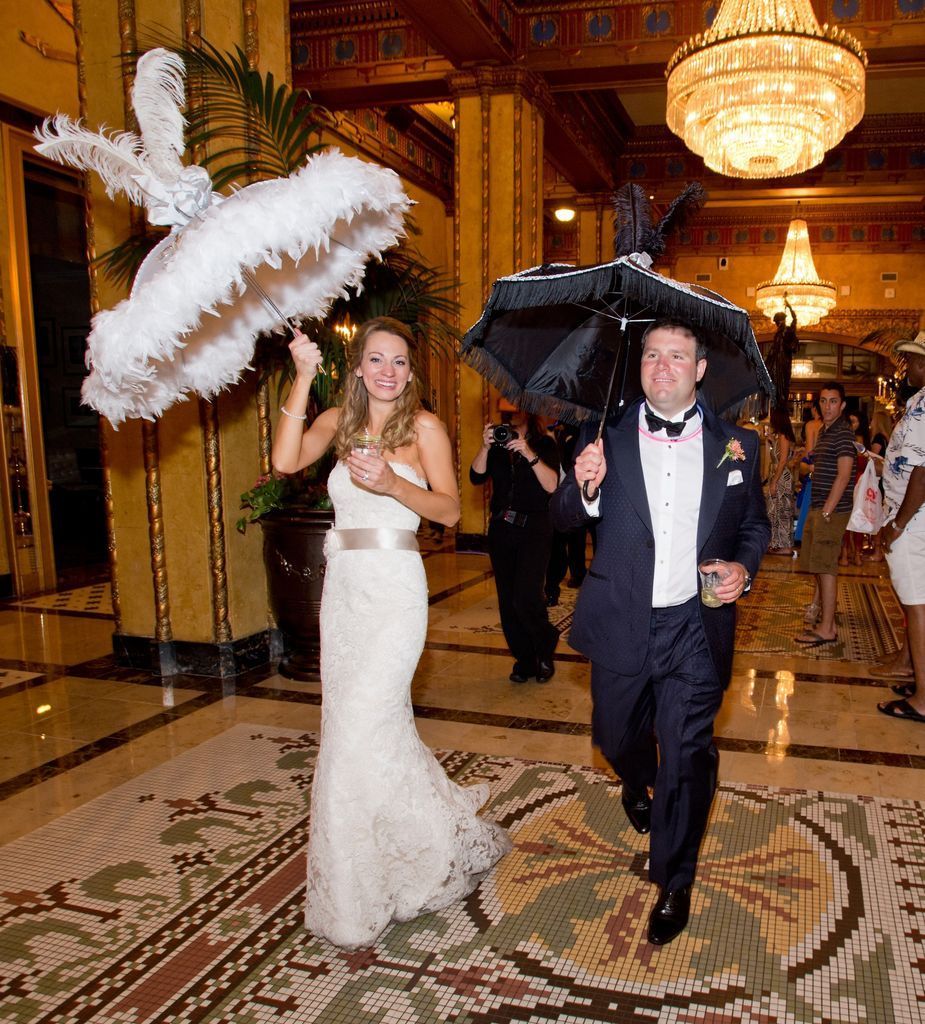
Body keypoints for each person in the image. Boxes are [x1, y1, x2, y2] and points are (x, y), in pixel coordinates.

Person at [272, 316, 511, 949]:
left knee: (360, 726)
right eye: (376, 359)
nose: (387, 370)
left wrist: (392, 483)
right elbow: (284, 460)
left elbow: (450, 511)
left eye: (399, 361)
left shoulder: (424, 428)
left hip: (396, 590)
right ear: (358, 367)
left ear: (410, 373)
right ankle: (380, 858)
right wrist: (302, 376)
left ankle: (378, 880)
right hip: (345, 592)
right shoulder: (337, 422)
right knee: (356, 730)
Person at [550, 317, 770, 945]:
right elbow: (561, 519)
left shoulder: (738, 446)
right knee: (614, 736)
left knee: (686, 754)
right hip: (622, 617)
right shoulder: (604, 436)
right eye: (652, 354)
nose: (663, 366)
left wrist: (743, 567)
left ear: (699, 370)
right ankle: (634, 776)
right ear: (639, 365)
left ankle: (675, 879)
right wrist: (583, 485)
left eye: (677, 356)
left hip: (696, 624)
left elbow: (754, 526)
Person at [470, 411, 560, 682]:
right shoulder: (498, 444)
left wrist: (528, 452)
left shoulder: (544, 444)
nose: (512, 410)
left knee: (526, 596)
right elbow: (476, 477)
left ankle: (544, 645)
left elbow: (552, 485)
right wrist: (485, 447)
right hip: (502, 530)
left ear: (530, 411)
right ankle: (525, 660)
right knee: (508, 601)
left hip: (535, 530)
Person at [876, 331, 925, 724]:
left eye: (911, 360)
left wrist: (898, 523)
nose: (906, 367)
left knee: (916, 603)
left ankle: (923, 700)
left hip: (914, 520)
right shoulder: (918, 401)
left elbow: (922, 473)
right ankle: (916, 676)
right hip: (912, 516)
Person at [795, 382, 856, 646]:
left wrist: (828, 511)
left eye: (833, 401)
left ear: (842, 405)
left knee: (826, 567)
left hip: (831, 510)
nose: (827, 406)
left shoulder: (842, 433)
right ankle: (824, 620)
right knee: (818, 565)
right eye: (823, 401)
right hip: (818, 505)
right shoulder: (825, 431)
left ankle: (827, 628)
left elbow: (844, 475)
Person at [545, 420, 588, 606]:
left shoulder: (578, 433)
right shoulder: (545, 437)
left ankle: (578, 574)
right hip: (550, 495)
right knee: (557, 547)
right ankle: (552, 588)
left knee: (576, 540)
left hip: (573, 491)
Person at [765, 407, 796, 555]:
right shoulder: (781, 437)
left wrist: (774, 481)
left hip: (781, 476)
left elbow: (783, 460)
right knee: (776, 510)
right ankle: (776, 543)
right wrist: (772, 441)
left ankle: (785, 546)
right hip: (779, 475)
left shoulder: (784, 437)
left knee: (782, 510)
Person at [765, 301, 800, 406]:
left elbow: (795, 320)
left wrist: (789, 307)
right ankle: (777, 400)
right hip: (776, 362)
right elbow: (773, 349)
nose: (777, 324)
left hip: (784, 361)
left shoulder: (788, 330)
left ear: (783, 321)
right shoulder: (777, 334)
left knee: (783, 383)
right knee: (776, 382)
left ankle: (782, 401)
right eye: (776, 323)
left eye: (778, 322)